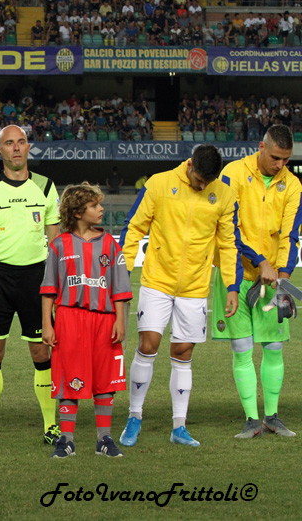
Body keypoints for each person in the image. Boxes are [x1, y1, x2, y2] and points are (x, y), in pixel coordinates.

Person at [119, 144, 241, 448]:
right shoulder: (159, 184)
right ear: (189, 164)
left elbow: (227, 244)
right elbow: (134, 228)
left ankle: (179, 426)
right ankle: (134, 416)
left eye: (207, 183)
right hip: (157, 280)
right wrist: (122, 273)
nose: (202, 186)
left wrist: (231, 286)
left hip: (195, 286)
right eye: (199, 180)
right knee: (149, 345)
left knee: (183, 352)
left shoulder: (224, 194)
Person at [0, 124, 61, 449]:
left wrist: (58, 285)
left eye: (21, 142)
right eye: (9, 143)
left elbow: (56, 241)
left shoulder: (46, 187)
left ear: (28, 147)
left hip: (37, 280)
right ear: (0, 150)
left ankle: (51, 425)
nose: (16, 148)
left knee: (41, 350)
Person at [212, 124, 302, 439]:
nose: (281, 165)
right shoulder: (233, 174)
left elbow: (292, 234)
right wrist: (260, 261)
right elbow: (228, 226)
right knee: (241, 347)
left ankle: (273, 417)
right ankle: (252, 420)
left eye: (286, 159)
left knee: (274, 346)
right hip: (234, 273)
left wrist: (284, 279)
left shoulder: (292, 184)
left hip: (273, 277)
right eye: (276, 157)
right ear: (261, 147)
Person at [41, 182, 132, 458]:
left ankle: (104, 438)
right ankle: (66, 440)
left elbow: (120, 289)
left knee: (105, 380)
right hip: (69, 319)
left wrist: (120, 320)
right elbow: (48, 290)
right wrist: (47, 323)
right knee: (69, 376)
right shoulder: (59, 245)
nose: (101, 208)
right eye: (94, 205)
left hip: (104, 321)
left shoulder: (109, 244)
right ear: (79, 211)